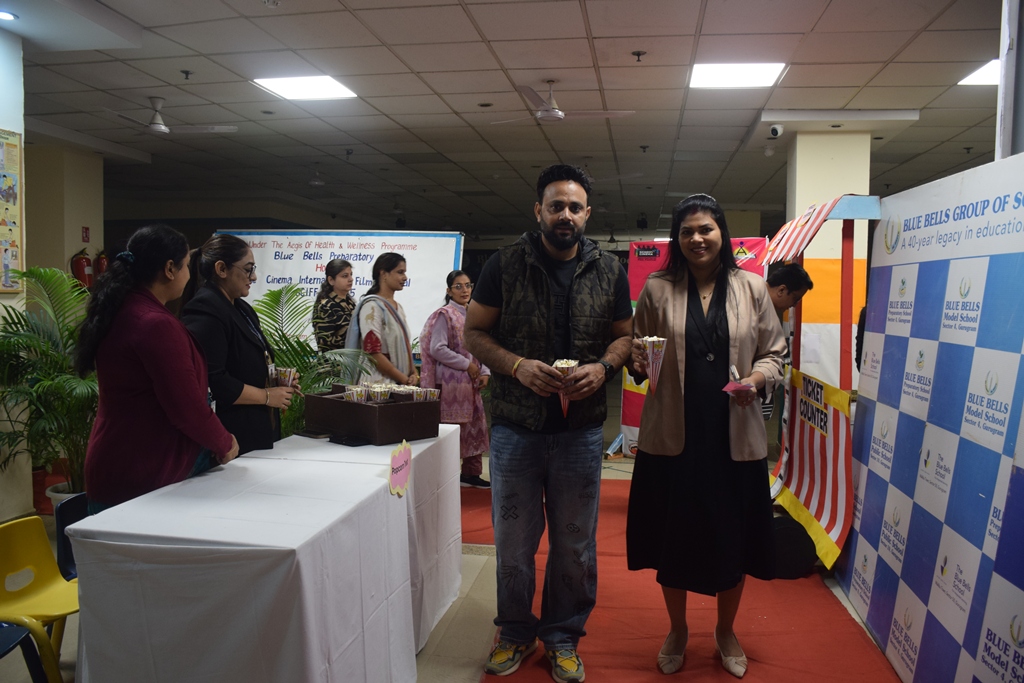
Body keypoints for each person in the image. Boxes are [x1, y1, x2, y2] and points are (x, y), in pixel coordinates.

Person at [464, 164, 632, 682]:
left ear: (587, 214)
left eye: (574, 207)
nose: (565, 215)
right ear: (538, 210)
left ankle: (562, 636)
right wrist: (516, 365)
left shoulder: (609, 270)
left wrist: (603, 368)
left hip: (581, 431)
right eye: (556, 205)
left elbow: (625, 337)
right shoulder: (504, 265)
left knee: (575, 543)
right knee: (514, 542)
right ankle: (515, 631)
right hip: (516, 429)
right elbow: (474, 333)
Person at [626, 194, 786, 678]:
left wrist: (755, 380)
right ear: (677, 239)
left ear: (722, 235)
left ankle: (725, 630)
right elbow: (639, 350)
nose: (697, 239)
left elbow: (774, 353)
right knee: (671, 539)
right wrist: (637, 359)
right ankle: (677, 629)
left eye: (706, 229)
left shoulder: (752, 287)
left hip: (733, 435)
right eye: (687, 231)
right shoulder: (657, 288)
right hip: (672, 437)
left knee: (732, 540)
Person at [75, 224, 239, 512]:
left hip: (122, 463)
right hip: (144, 469)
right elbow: (186, 406)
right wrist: (224, 443)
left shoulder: (123, 309)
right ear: (169, 269)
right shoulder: (154, 324)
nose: (189, 275)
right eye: (186, 266)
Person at [180, 234, 296, 455]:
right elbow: (214, 380)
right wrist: (267, 396)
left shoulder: (242, 308)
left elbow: (246, 361)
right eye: (248, 269)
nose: (253, 277)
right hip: (232, 432)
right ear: (221, 269)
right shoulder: (205, 309)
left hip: (257, 427)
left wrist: (276, 380)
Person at [420, 270, 491, 489]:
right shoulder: (445, 314)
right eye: (458, 286)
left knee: (475, 426)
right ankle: (446, 477)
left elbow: (482, 345)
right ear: (449, 291)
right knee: (452, 431)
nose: (464, 290)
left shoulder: (473, 314)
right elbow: (437, 348)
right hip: (451, 386)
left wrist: (485, 371)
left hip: (471, 383)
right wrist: (467, 364)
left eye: (468, 285)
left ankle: (471, 473)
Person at [345, 252, 418, 385]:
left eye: (404, 272)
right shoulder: (372, 307)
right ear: (383, 274)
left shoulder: (398, 308)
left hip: (400, 382)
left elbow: (405, 348)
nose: (405, 277)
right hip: (378, 384)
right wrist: (402, 378)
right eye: (400, 272)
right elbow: (373, 353)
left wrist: (413, 373)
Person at [761, 263, 813, 419]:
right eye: (795, 299)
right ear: (781, 290)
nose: (794, 305)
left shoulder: (764, 310)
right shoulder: (751, 308)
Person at [312, 258, 355, 352]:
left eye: (351, 275)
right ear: (331, 280)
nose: (350, 279)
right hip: (334, 360)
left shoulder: (350, 303)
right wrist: (355, 337)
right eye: (345, 276)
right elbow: (325, 342)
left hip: (353, 358)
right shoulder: (325, 306)